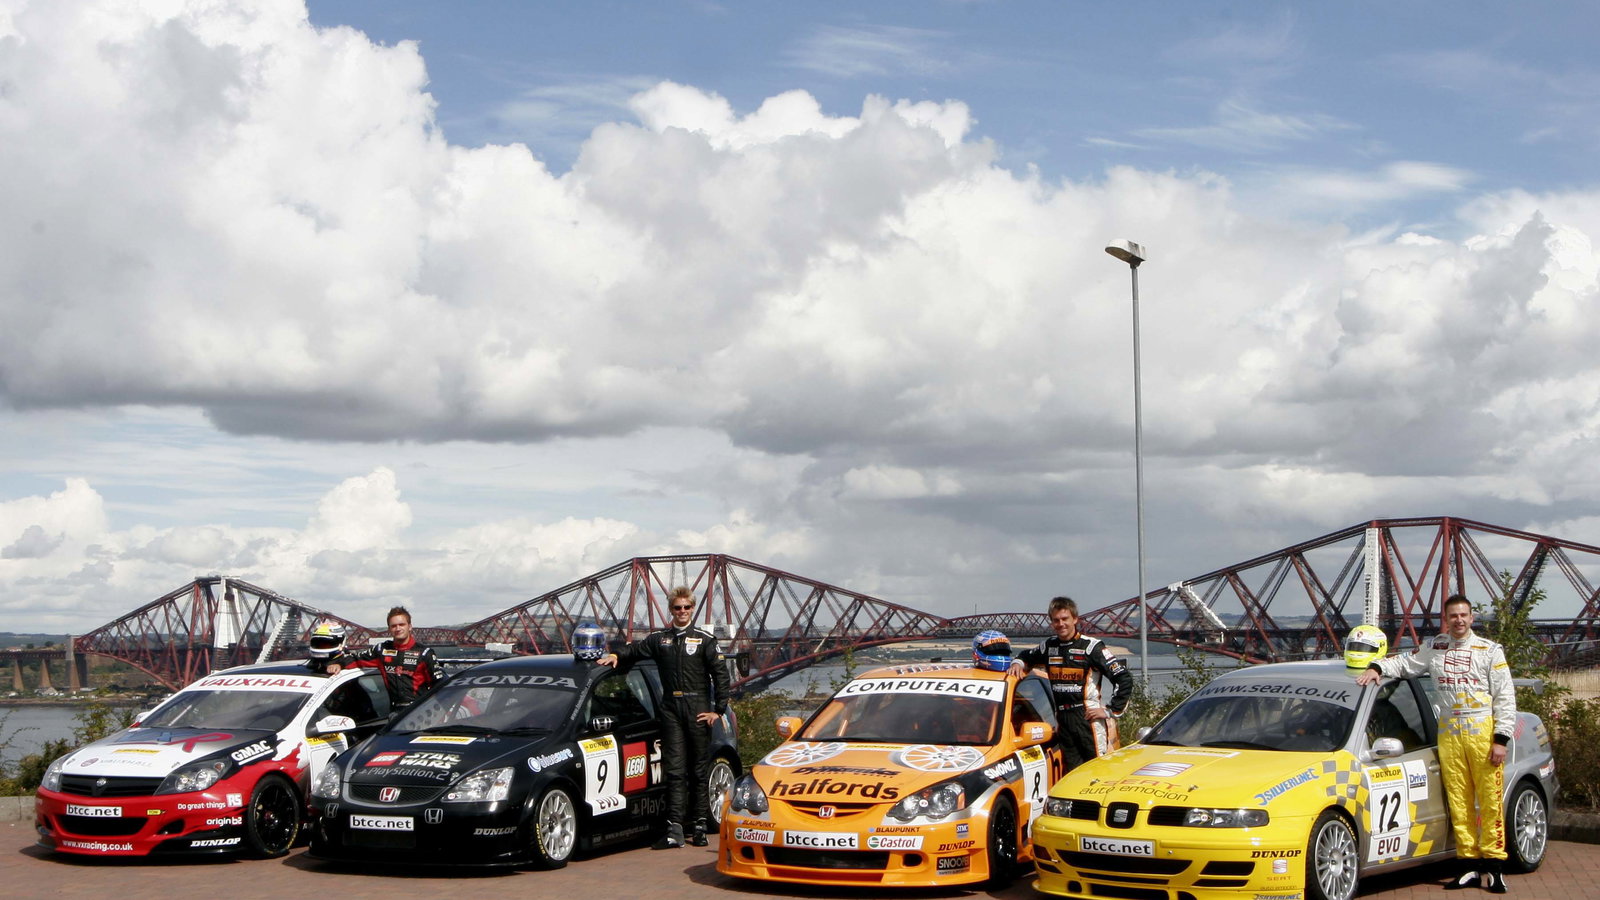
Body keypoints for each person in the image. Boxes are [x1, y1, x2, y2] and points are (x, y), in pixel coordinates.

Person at [1356, 595, 1516, 893]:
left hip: (1482, 728)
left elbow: (1505, 697)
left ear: (1472, 617)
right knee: (1458, 799)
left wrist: (1501, 739)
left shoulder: (1489, 651)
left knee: (1490, 799)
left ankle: (1494, 866)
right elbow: (1406, 664)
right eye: (1453, 616)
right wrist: (1377, 667)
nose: (1458, 620)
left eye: (1463, 615)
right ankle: (1468, 864)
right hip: (1449, 730)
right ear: (1446, 618)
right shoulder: (1435, 647)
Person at [598, 586, 730, 850]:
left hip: (698, 708)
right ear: (671, 610)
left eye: (687, 607)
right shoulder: (660, 640)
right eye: (677, 608)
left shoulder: (705, 640)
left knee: (699, 770)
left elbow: (721, 675)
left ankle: (701, 825)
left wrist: (719, 710)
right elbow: (634, 650)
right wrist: (615, 655)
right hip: (671, 707)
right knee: (675, 770)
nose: (682, 612)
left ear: (693, 609)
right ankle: (675, 829)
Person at [1007, 596, 1133, 771]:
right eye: (1056, 620)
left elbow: (1123, 678)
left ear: (1075, 619)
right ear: (1052, 622)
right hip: (1062, 718)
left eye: (1065, 619)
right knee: (1072, 774)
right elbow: (1025, 656)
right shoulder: (1049, 646)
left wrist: (1111, 710)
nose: (1061, 624)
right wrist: (1017, 663)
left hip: (1087, 718)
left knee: (1097, 770)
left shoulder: (1092, 647)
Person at [343, 605, 443, 710]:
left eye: (401, 624)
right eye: (394, 626)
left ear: (410, 626)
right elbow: (355, 660)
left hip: (419, 712)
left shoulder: (425, 653)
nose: (398, 628)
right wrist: (337, 664)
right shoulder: (381, 650)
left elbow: (440, 686)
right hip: (395, 713)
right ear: (389, 629)